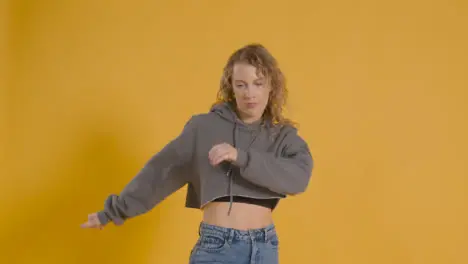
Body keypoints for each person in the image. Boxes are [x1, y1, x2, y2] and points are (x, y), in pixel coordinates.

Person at [81, 43, 314, 264]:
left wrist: (240, 157)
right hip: (219, 246)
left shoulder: (282, 136)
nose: (249, 93)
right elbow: (161, 171)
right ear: (231, 87)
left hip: (265, 247)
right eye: (241, 84)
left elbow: (298, 178)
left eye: (258, 83)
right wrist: (114, 211)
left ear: (271, 86)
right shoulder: (203, 129)